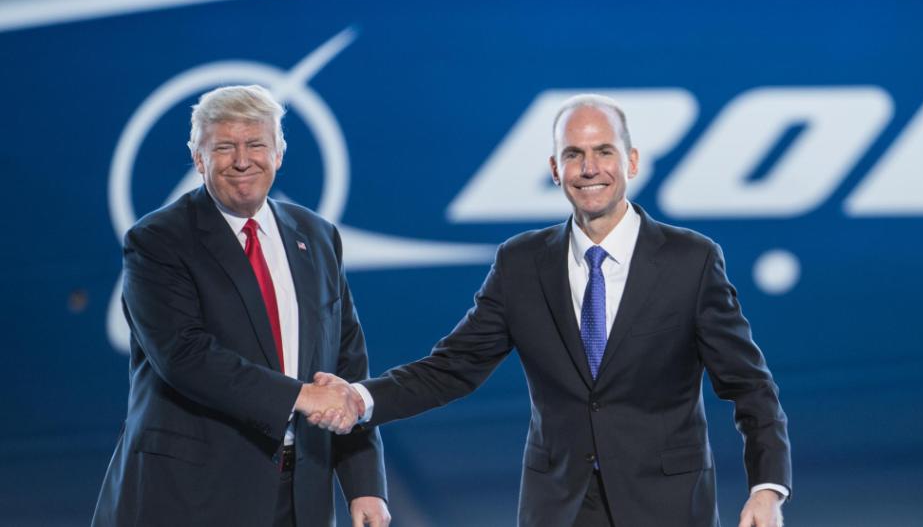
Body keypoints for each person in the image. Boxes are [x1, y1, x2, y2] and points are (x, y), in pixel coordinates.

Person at [318, 94, 791, 526]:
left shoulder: (692, 260)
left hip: (666, 503)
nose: (589, 168)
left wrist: (767, 488)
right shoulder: (521, 262)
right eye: (573, 155)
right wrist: (362, 399)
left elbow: (749, 385)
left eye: (604, 152)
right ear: (554, 168)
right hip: (558, 505)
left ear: (631, 161)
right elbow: (452, 368)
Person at [93, 85, 391, 527]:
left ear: (279, 153)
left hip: (300, 495)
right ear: (198, 158)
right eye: (224, 147)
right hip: (191, 496)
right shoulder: (157, 240)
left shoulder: (318, 235)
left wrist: (363, 482)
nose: (242, 160)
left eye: (256, 144)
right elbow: (185, 357)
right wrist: (302, 396)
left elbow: (346, 364)